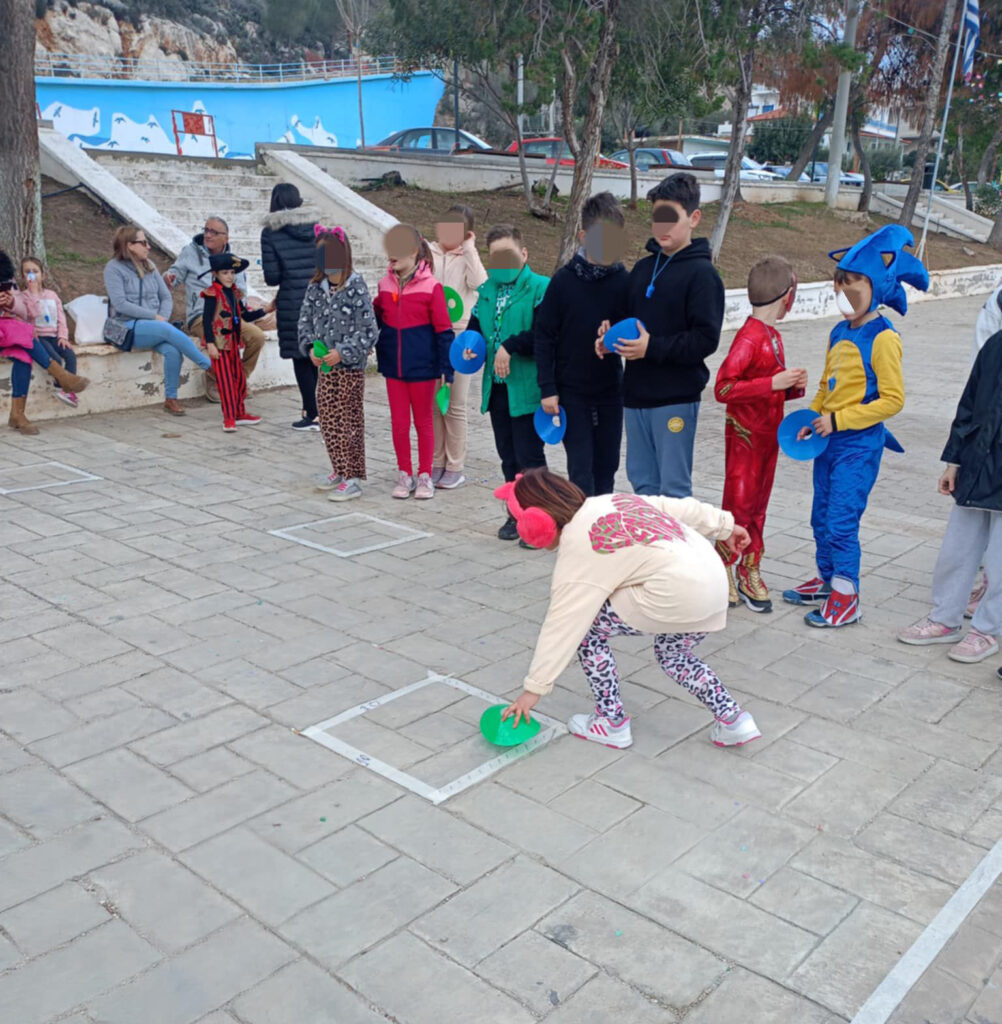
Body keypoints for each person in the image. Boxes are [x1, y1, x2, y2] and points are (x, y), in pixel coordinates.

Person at [499, 468, 761, 749]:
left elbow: (563, 623)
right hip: (714, 586)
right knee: (673, 654)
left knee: (585, 629)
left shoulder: (577, 546)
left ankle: (611, 722)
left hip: (673, 593)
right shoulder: (609, 500)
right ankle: (734, 719)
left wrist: (533, 689)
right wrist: (725, 526)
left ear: (539, 523)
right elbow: (678, 507)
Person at [783, 225, 929, 627]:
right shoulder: (837, 331)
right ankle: (828, 579)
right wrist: (812, 418)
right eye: (841, 283)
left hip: (859, 446)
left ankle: (847, 598)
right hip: (827, 443)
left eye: (855, 284)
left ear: (877, 286)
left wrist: (839, 420)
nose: (845, 292)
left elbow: (893, 399)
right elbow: (827, 385)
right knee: (820, 515)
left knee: (841, 520)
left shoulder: (883, 338)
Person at [603, 172, 724, 498]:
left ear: (694, 218)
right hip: (636, 396)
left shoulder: (703, 275)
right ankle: (650, 548)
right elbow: (625, 317)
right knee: (642, 483)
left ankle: (676, 548)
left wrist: (651, 347)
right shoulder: (643, 269)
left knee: (673, 489)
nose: (663, 227)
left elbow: (705, 339)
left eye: (671, 217)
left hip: (676, 399)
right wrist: (607, 333)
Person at [897, 324, 1002, 663]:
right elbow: (968, 406)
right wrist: (954, 460)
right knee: (956, 552)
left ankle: (986, 630)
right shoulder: (995, 345)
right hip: (976, 467)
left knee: (1000, 565)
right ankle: (945, 619)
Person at [714, 255, 806, 611]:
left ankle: (750, 566)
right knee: (738, 504)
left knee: (758, 506)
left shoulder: (773, 336)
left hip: (769, 437)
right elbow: (723, 388)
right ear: (787, 295)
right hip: (745, 438)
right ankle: (723, 565)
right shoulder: (749, 337)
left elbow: (770, 385)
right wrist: (772, 383)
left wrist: (790, 387)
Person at [537, 192, 629, 496]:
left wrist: (614, 333)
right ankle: (583, 533)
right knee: (581, 469)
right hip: (571, 393)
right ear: (583, 236)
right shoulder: (563, 282)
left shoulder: (623, 281)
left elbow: (636, 326)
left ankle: (605, 530)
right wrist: (548, 388)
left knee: (607, 467)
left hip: (609, 392)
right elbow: (544, 335)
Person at [465, 224, 550, 540]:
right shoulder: (486, 292)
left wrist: (509, 346)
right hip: (497, 388)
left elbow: (543, 334)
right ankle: (515, 516)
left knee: (530, 458)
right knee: (508, 456)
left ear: (523, 254)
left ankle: (540, 519)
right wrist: (471, 346)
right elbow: (475, 329)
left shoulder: (541, 288)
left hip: (527, 387)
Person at [373, 224, 454, 500]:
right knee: (398, 423)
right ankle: (404, 473)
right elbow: (375, 320)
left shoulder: (432, 287)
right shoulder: (383, 285)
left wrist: (447, 369)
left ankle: (424, 476)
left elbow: (444, 331)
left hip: (422, 368)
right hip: (392, 369)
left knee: (423, 422)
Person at [299, 225, 378, 501]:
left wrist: (343, 352)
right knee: (329, 420)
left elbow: (369, 331)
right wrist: (310, 348)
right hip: (325, 370)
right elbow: (305, 323)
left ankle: (353, 476)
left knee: (349, 421)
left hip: (349, 370)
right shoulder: (314, 288)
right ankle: (339, 469)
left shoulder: (356, 286)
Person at [104, 225, 212, 416]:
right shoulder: (113, 268)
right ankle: (210, 368)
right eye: (143, 242)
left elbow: (166, 297)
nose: (148, 247)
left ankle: (170, 399)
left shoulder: (150, 266)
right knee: (167, 331)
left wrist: (160, 317)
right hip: (125, 327)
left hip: (153, 325)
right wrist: (154, 317)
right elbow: (120, 304)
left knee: (173, 351)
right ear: (129, 245)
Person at [164, 215, 269, 402]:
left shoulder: (233, 261)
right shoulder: (190, 252)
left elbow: (241, 291)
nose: (208, 235)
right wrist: (169, 277)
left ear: (225, 238)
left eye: (214, 232)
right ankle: (215, 379)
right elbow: (175, 273)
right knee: (221, 333)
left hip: (230, 314)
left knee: (257, 336)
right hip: (200, 316)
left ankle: (240, 378)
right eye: (206, 230)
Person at [428, 203, 488, 489]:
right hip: (429, 335)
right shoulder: (428, 252)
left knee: (454, 404)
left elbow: (480, 284)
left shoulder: (467, 256)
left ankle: (455, 466)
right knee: (433, 403)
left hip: (460, 337)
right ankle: (436, 462)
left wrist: (469, 249)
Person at [2, 251, 89, 435]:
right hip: (7, 331)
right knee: (23, 333)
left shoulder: (4, 271)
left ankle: (17, 414)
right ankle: (62, 376)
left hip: (6, 330)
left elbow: (22, 309)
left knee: (23, 354)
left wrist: (9, 302)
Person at [260, 183, 321, 430]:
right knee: (321, 355)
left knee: (301, 357)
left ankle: (312, 413)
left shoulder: (270, 232)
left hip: (292, 301)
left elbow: (272, 276)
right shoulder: (317, 228)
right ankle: (329, 410)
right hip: (321, 298)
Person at [199, 252, 268, 432]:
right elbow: (207, 321)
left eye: (231, 272)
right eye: (225, 273)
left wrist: (266, 310)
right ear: (215, 274)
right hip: (219, 345)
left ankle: (239, 413)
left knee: (238, 379)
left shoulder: (234, 293)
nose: (229, 276)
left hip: (233, 344)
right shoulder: (211, 294)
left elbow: (244, 315)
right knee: (226, 382)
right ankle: (228, 418)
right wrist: (210, 344)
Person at [21, 255, 79, 408]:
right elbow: (31, 315)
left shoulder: (52, 295)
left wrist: (63, 336)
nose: (32, 275)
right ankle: (61, 387)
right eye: (27, 272)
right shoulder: (24, 297)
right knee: (56, 360)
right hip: (39, 337)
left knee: (70, 356)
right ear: (23, 276)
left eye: (35, 271)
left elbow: (61, 318)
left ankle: (67, 390)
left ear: (43, 275)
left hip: (54, 335)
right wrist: (33, 294)